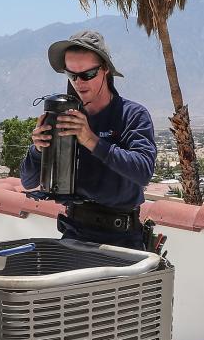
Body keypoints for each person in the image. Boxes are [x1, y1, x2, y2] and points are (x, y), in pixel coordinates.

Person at [19, 30, 156, 250]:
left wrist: (91, 140)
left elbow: (143, 171)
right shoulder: (64, 116)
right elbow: (28, 182)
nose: (79, 83)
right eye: (72, 75)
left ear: (105, 70)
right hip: (75, 234)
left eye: (87, 74)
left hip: (123, 240)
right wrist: (38, 150)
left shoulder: (132, 115)